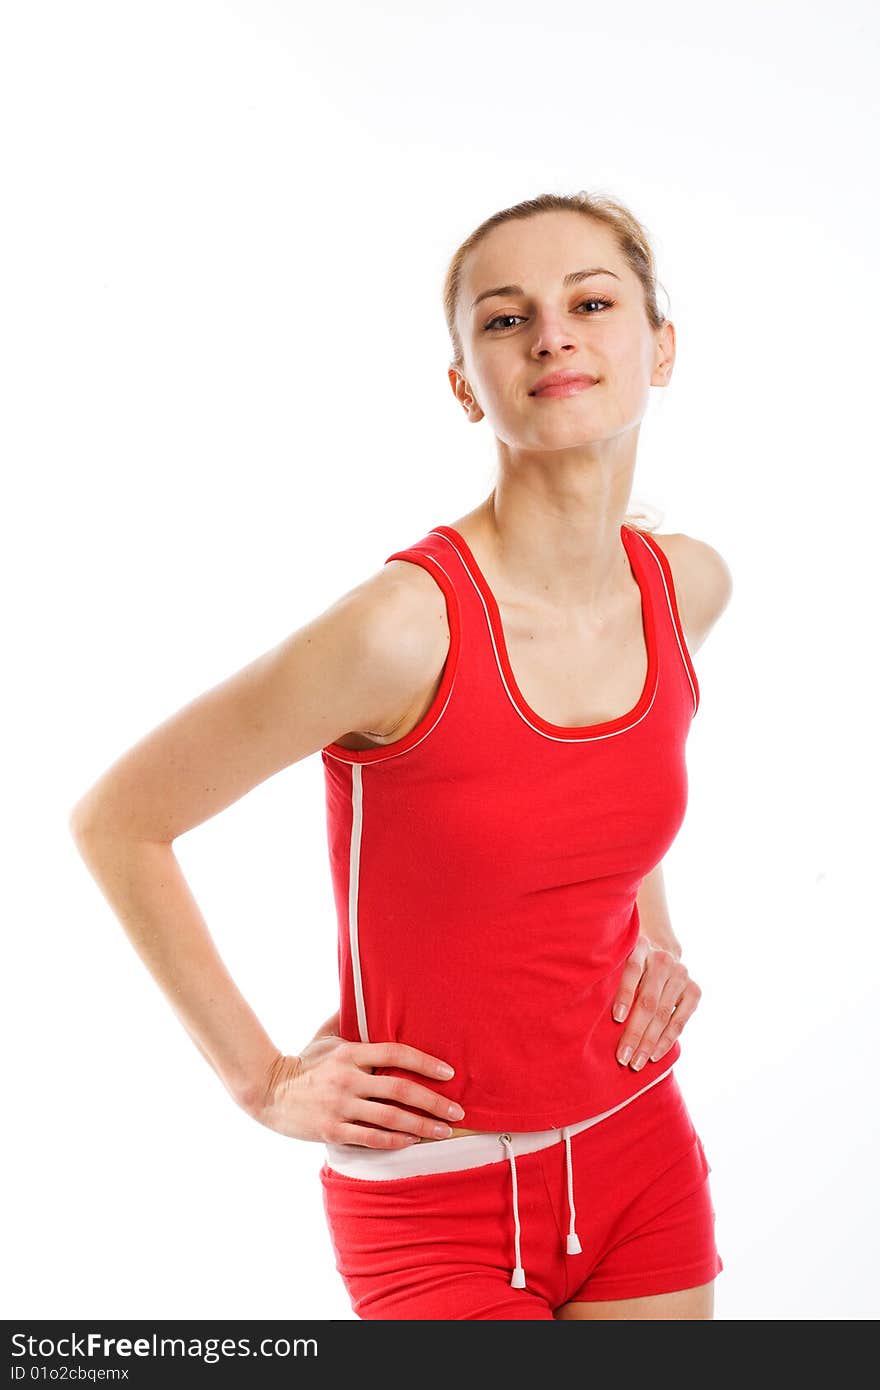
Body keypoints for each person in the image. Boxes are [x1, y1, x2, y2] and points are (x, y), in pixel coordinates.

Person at [70, 189, 733, 1321]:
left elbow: (599, 790)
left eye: (590, 301)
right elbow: (119, 820)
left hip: (639, 1154)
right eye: (504, 317)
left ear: (657, 347)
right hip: (433, 1199)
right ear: (465, 382)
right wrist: (261, 1077)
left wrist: (653, 927)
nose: (553, 335)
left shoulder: (684, 586)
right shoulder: (402, 627)